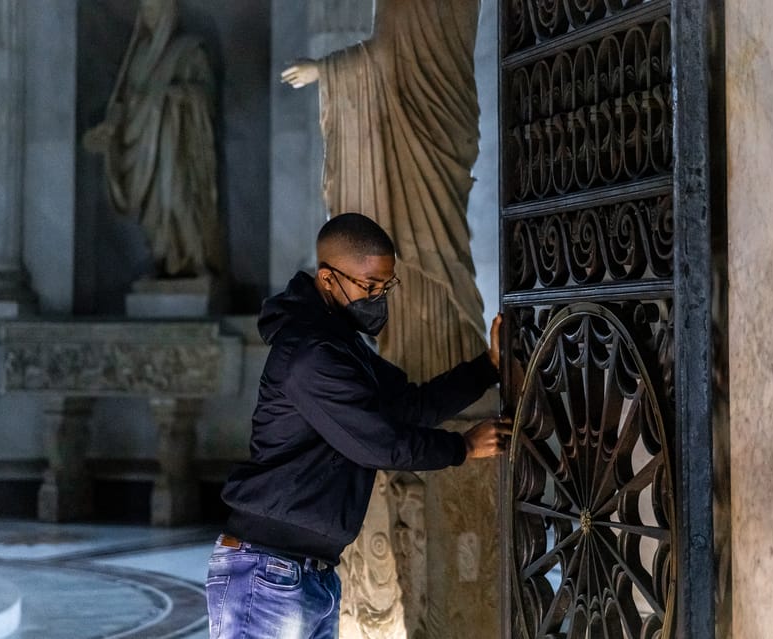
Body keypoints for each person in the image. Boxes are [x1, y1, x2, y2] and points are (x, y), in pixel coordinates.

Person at [206, 213, 507, 639]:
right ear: (328, 279)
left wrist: (487, 368)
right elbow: (378, 444)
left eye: (385, 287)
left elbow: (408, 406)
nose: (379, 297)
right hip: (268, 572)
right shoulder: (310, 354)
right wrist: (462, 448)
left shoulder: (342, 346)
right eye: (369, 287)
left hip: (310, 572)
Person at [280, 0, 485, 382]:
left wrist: (322, 70)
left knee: (421, 253)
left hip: (422, 140)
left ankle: (439, 373)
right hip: (436, 133)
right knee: (419, 257)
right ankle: (446, 373)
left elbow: (388, 55)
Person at [83, 0, 222, 277]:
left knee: (177, 200)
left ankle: (193, 261)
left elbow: (207, 96)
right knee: (153, 213)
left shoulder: (189, 50)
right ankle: (164, 261)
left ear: (169, 13)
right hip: (144, 146)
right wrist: (109, 128)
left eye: (155, 8)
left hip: (177, 144)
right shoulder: (138, 56)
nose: (149, 15)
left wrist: (180, 95)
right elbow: (123, 102)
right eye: (145, 10)